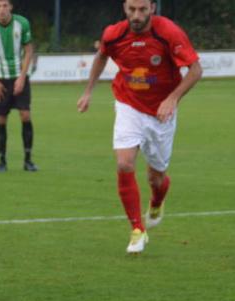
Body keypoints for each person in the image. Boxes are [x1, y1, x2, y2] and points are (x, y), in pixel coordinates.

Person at [77, 0, 202, 254]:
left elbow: (195, 70)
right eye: (132, 9)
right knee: (124, 163)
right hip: (128, 104)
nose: (137, 15)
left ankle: (157, 200)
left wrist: (172, 98)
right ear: (124, 8)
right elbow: (101, 56)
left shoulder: (168, 32)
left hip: (160, 112)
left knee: (156, 178)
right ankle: (137, 229)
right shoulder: (114, 33)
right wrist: (88, 91)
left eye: (142, 9)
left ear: (152, 8)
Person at [0, 0, 38, 172]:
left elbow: (28, 51)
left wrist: (22, 77)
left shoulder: (22, 23)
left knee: (25, 115)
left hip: (20, 77)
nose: (2, 10)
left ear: (11, 7)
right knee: (1, 118)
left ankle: (28, 160)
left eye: (5, 6)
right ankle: (2, 161)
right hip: (0, 81)